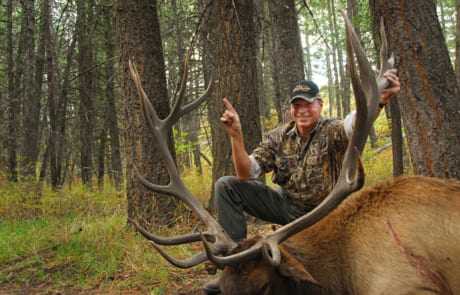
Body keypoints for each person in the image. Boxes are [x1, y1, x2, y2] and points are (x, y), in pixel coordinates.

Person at [204, 70, 400, 293]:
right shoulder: (279, 137)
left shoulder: (332, 130)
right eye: (297, 106)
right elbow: (245, 173)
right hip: (288, 209)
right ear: (291, 109)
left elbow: (355, 122)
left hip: (325, 217)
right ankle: (234, 265)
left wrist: (378, 101)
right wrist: (236, 135)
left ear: (320, 105)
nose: (302, 111)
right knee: (226, 186)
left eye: (308, 104)